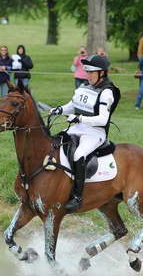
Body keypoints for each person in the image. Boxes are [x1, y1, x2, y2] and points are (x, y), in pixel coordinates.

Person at [48, 54, 120, 213]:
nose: (88, 75)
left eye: (91, 73)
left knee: (78, 154)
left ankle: (77, 197)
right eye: (87, 72)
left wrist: (80, 118)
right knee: (56, 143)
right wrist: (59, 109)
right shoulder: (84, 87)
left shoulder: (107, 92)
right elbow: (72, 105)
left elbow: (102, 119)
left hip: (95, 133)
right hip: (79, 128)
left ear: (102, 73)